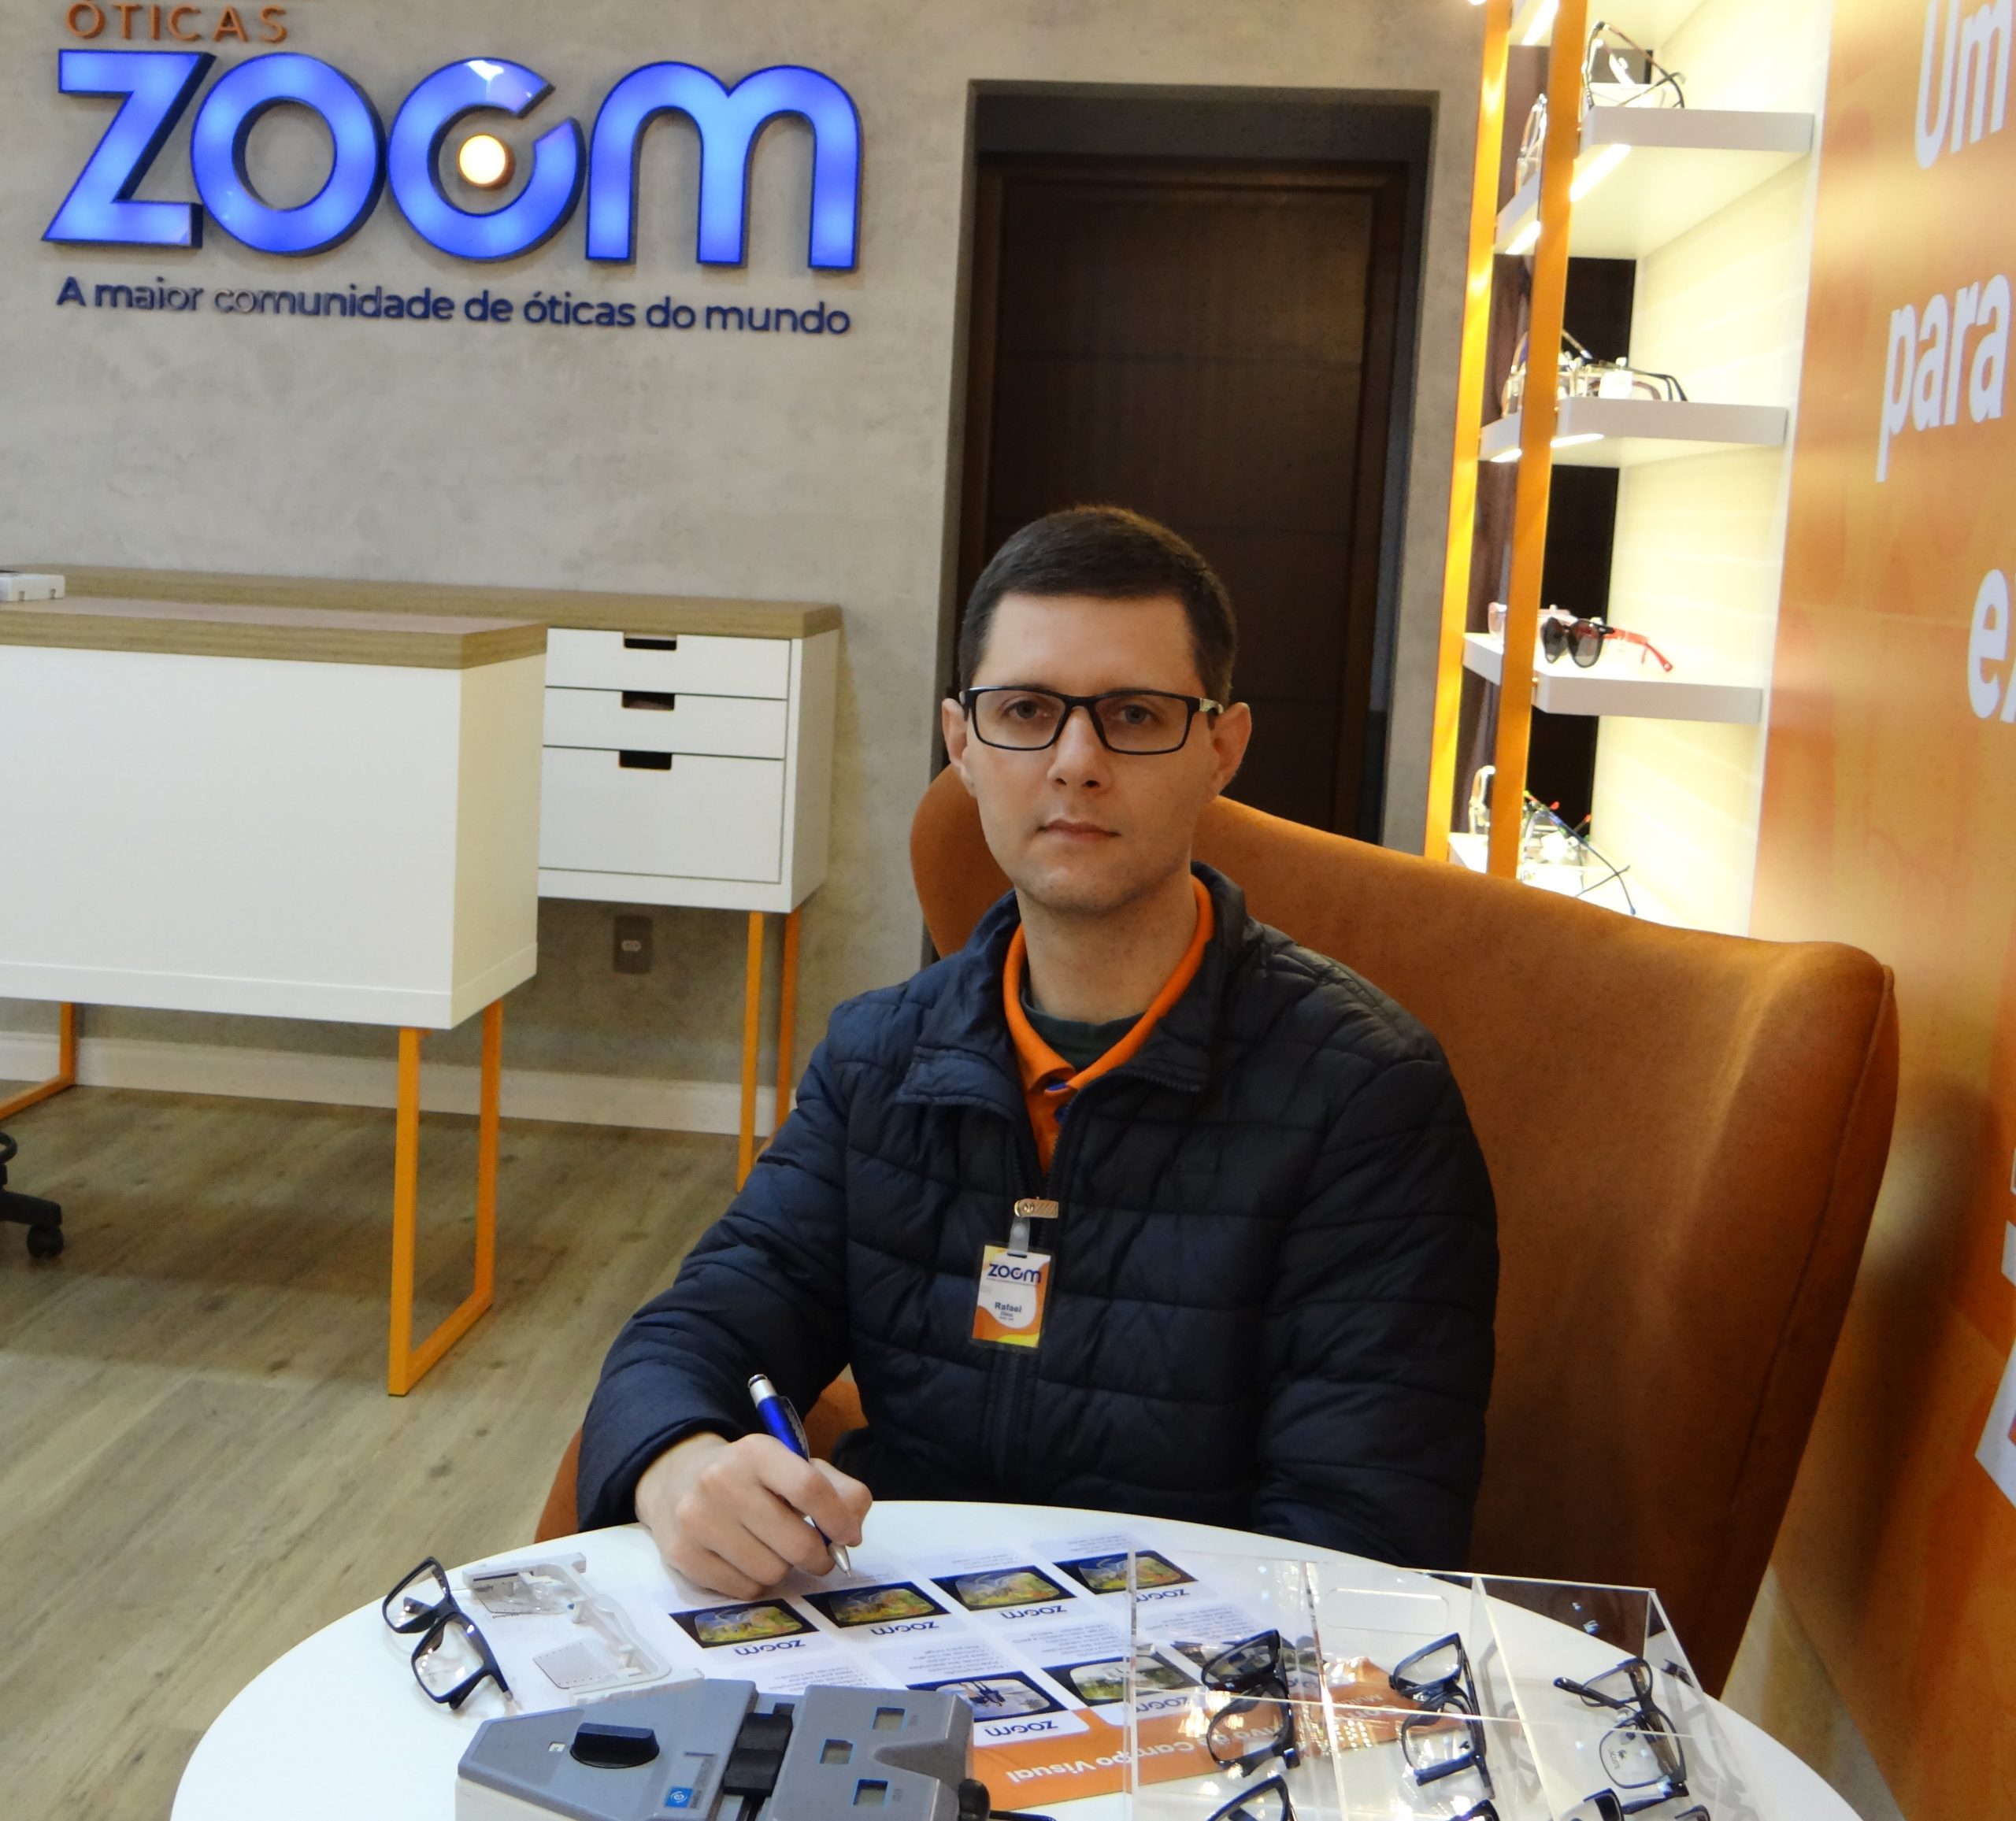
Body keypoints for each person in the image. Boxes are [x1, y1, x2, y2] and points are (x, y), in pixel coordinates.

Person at [578, 505, 1497, 1597]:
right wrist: (677, 1463)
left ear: (1223, 748)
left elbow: (1359, 1538)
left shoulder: (1367, 1097)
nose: (1076, 763)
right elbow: (694, 1331)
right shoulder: (879, 1056)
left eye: (1136, 715)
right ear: (962, 745)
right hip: (890, 1633)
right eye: (1025, 711)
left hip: (1194, 1670)